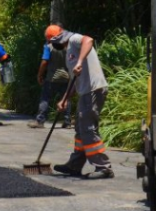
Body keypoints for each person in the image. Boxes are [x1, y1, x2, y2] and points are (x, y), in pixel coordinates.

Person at [49, 28, 114, 179]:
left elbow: (89, 40)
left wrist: (79, 61)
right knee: (80, 128)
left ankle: (104, 167)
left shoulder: (74, 39)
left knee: (88, 128)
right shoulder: (68, 54)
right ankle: (75, 165)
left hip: (93, 89)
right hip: (84, 92)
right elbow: (74, 81)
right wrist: (64, 99)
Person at [28, 24, 72, 129]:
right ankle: (67, 121)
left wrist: (39, 75)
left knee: (45, 98)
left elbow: (44, 62)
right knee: (66, 98)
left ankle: (40, 120)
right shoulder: (68, 45)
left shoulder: (49, 46)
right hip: (66, 78)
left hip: (52, 78)